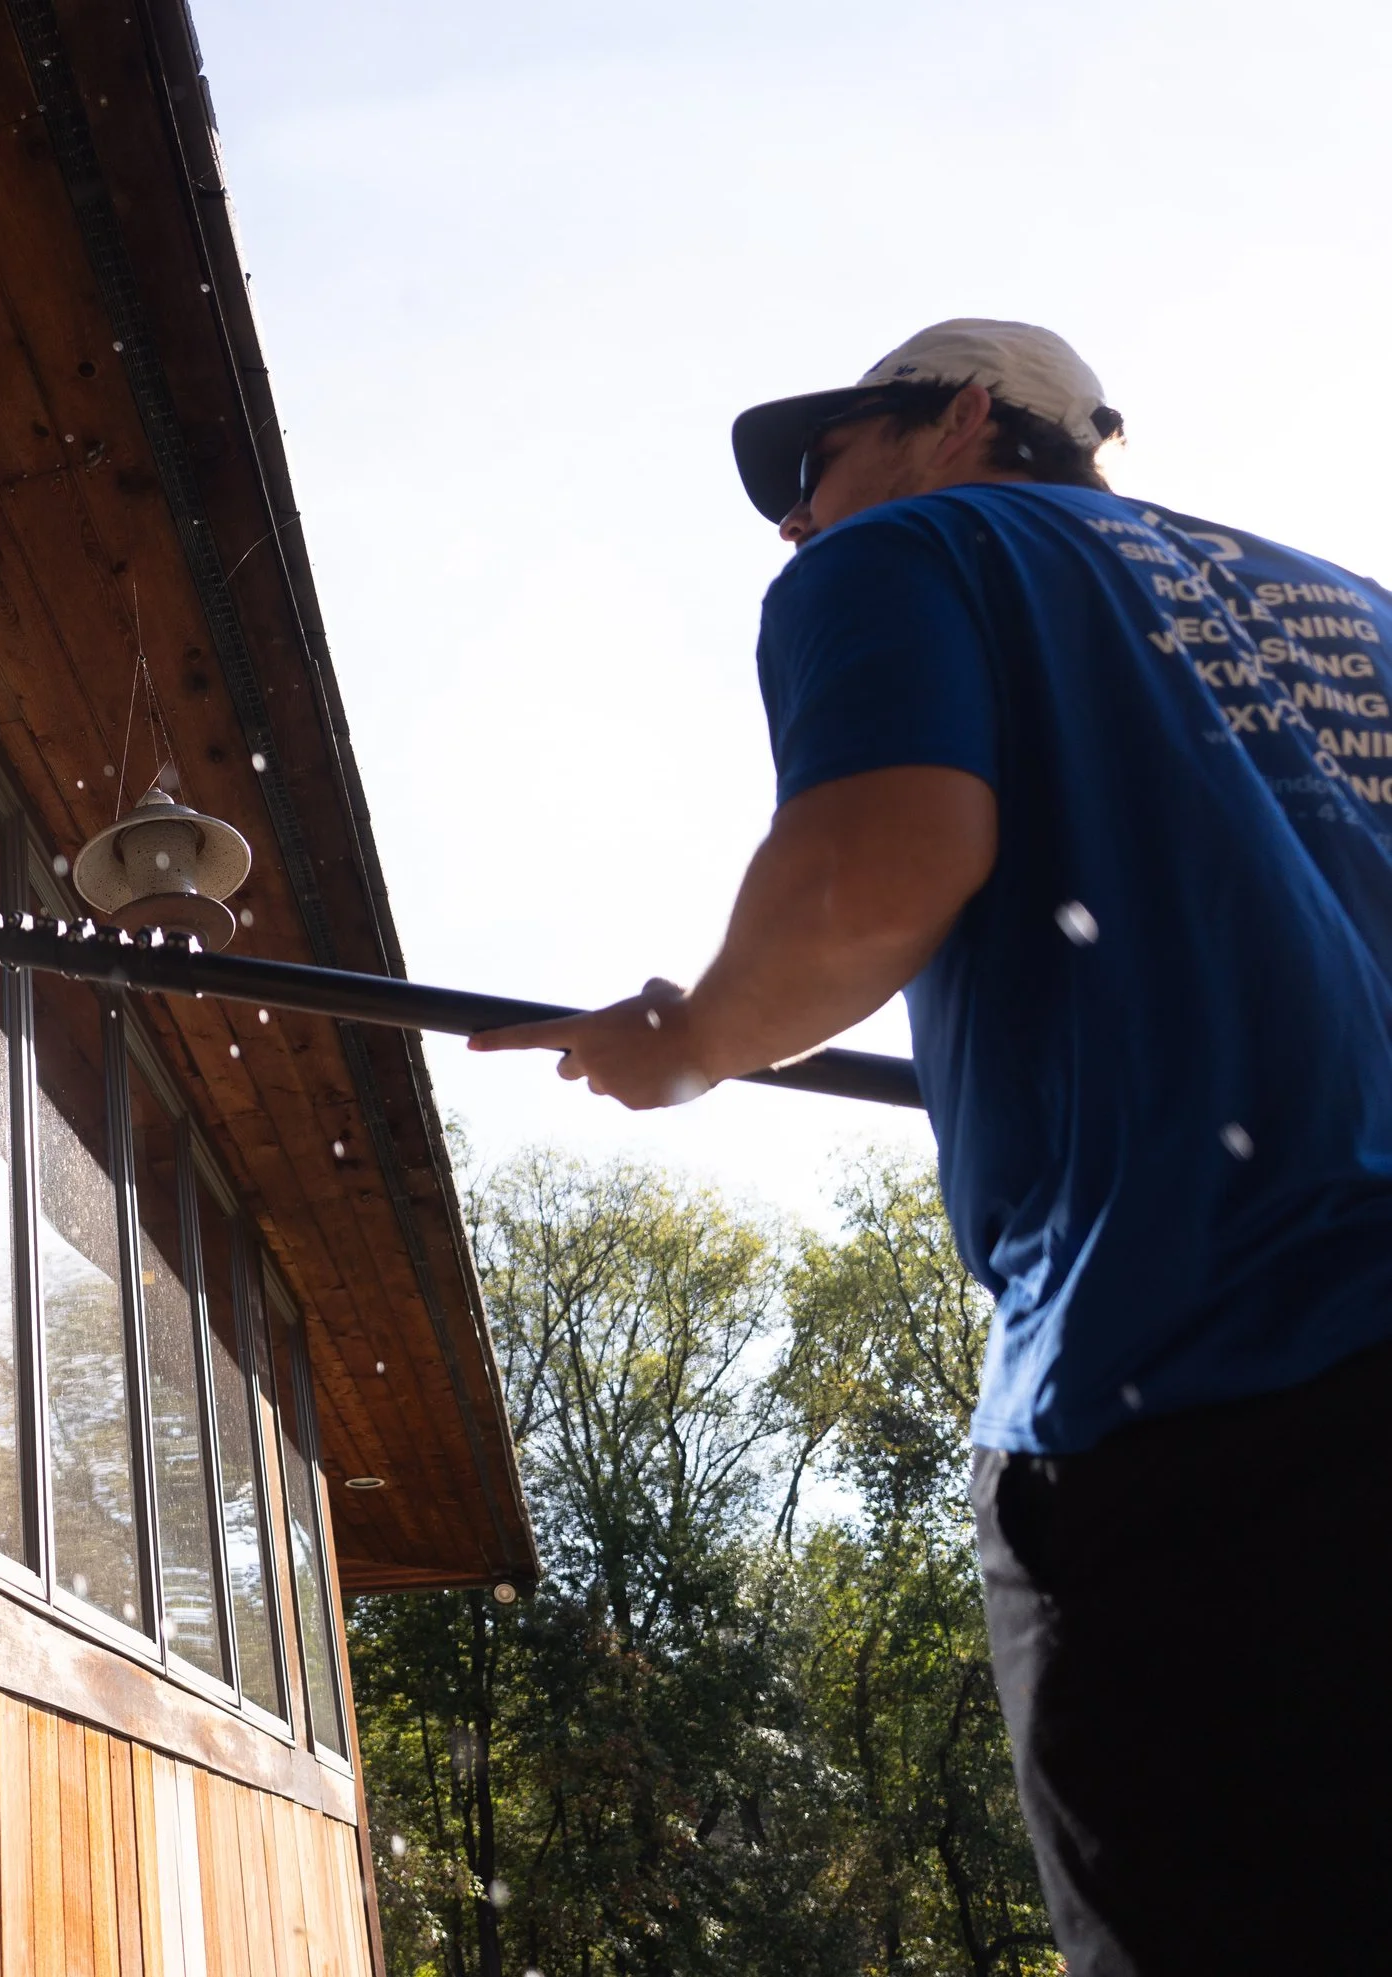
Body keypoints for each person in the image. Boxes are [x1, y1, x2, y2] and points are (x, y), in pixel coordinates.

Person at [472, 319, 1392, 1972]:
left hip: (1207, 1394)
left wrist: (682, 1046)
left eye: (816, 463)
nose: (794, 518)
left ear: (965, 418)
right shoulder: (1353, 614)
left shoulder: (916, 546)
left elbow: (874, 870)